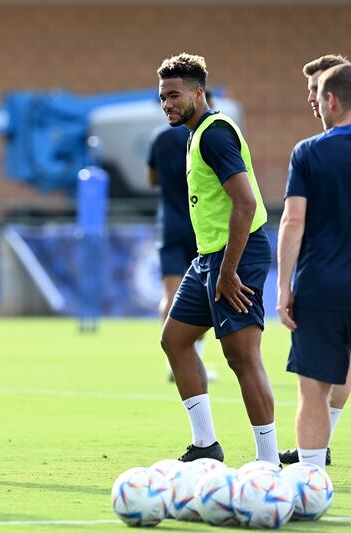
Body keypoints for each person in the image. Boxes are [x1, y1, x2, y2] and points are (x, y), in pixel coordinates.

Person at [157, 53, 279, 464]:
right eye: (161, 98)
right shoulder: (194, 134)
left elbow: (245, 204)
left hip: (237, 256)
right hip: (209, 257)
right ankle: (206, 444)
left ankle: (268, 462)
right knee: (174, 339)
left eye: (174, 95)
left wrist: (228, 271)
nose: (167, 104)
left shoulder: (214, 134)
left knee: (242, 357)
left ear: (198, 91)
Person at [276, 63, 351, 470]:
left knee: (313, 391)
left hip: (321, 287)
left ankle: (309, 481)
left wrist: (283, 287)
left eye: (317, 97)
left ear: (332, 100)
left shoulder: (308, 151)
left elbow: (293, 221)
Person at [147, 90, 217, 383]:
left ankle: (173, 362)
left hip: (169, 224)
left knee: (170, 294)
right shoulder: (208, 136)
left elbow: (151, 179)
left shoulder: (160, 138)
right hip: (199, 226)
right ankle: (194, 358)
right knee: (200, 296)